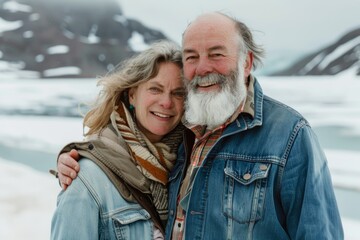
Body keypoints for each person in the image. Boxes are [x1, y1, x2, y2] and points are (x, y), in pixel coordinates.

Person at [57, 12, 344, 239]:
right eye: (192, 57)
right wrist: (76, 156)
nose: (203, 67)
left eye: (217, 54)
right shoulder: (185, 135)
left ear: (247, 62)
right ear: (132, 94)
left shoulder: (289, 136)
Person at [51, 40, 186, 240]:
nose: (166, 102)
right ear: (132, 95)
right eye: (155, 89)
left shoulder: (191, 166)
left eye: (178, 93)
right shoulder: (86, 179)